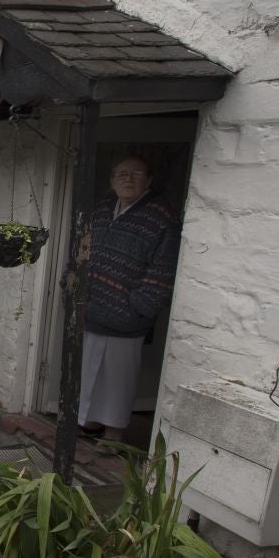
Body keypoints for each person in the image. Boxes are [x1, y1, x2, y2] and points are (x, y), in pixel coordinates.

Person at [78, 156, 181, 442]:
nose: (128, 179)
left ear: (148, 180)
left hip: (126, 316)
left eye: (136, 173)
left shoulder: (161, 217)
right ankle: (90, 422)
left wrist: (139, 307)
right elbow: (82, 249)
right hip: (91, 308)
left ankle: (113, 434)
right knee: (88, 370)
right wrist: (71, 286)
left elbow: (164, 268)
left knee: (117, 379)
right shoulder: (101, 210)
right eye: (121, 174)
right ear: (112, 181)